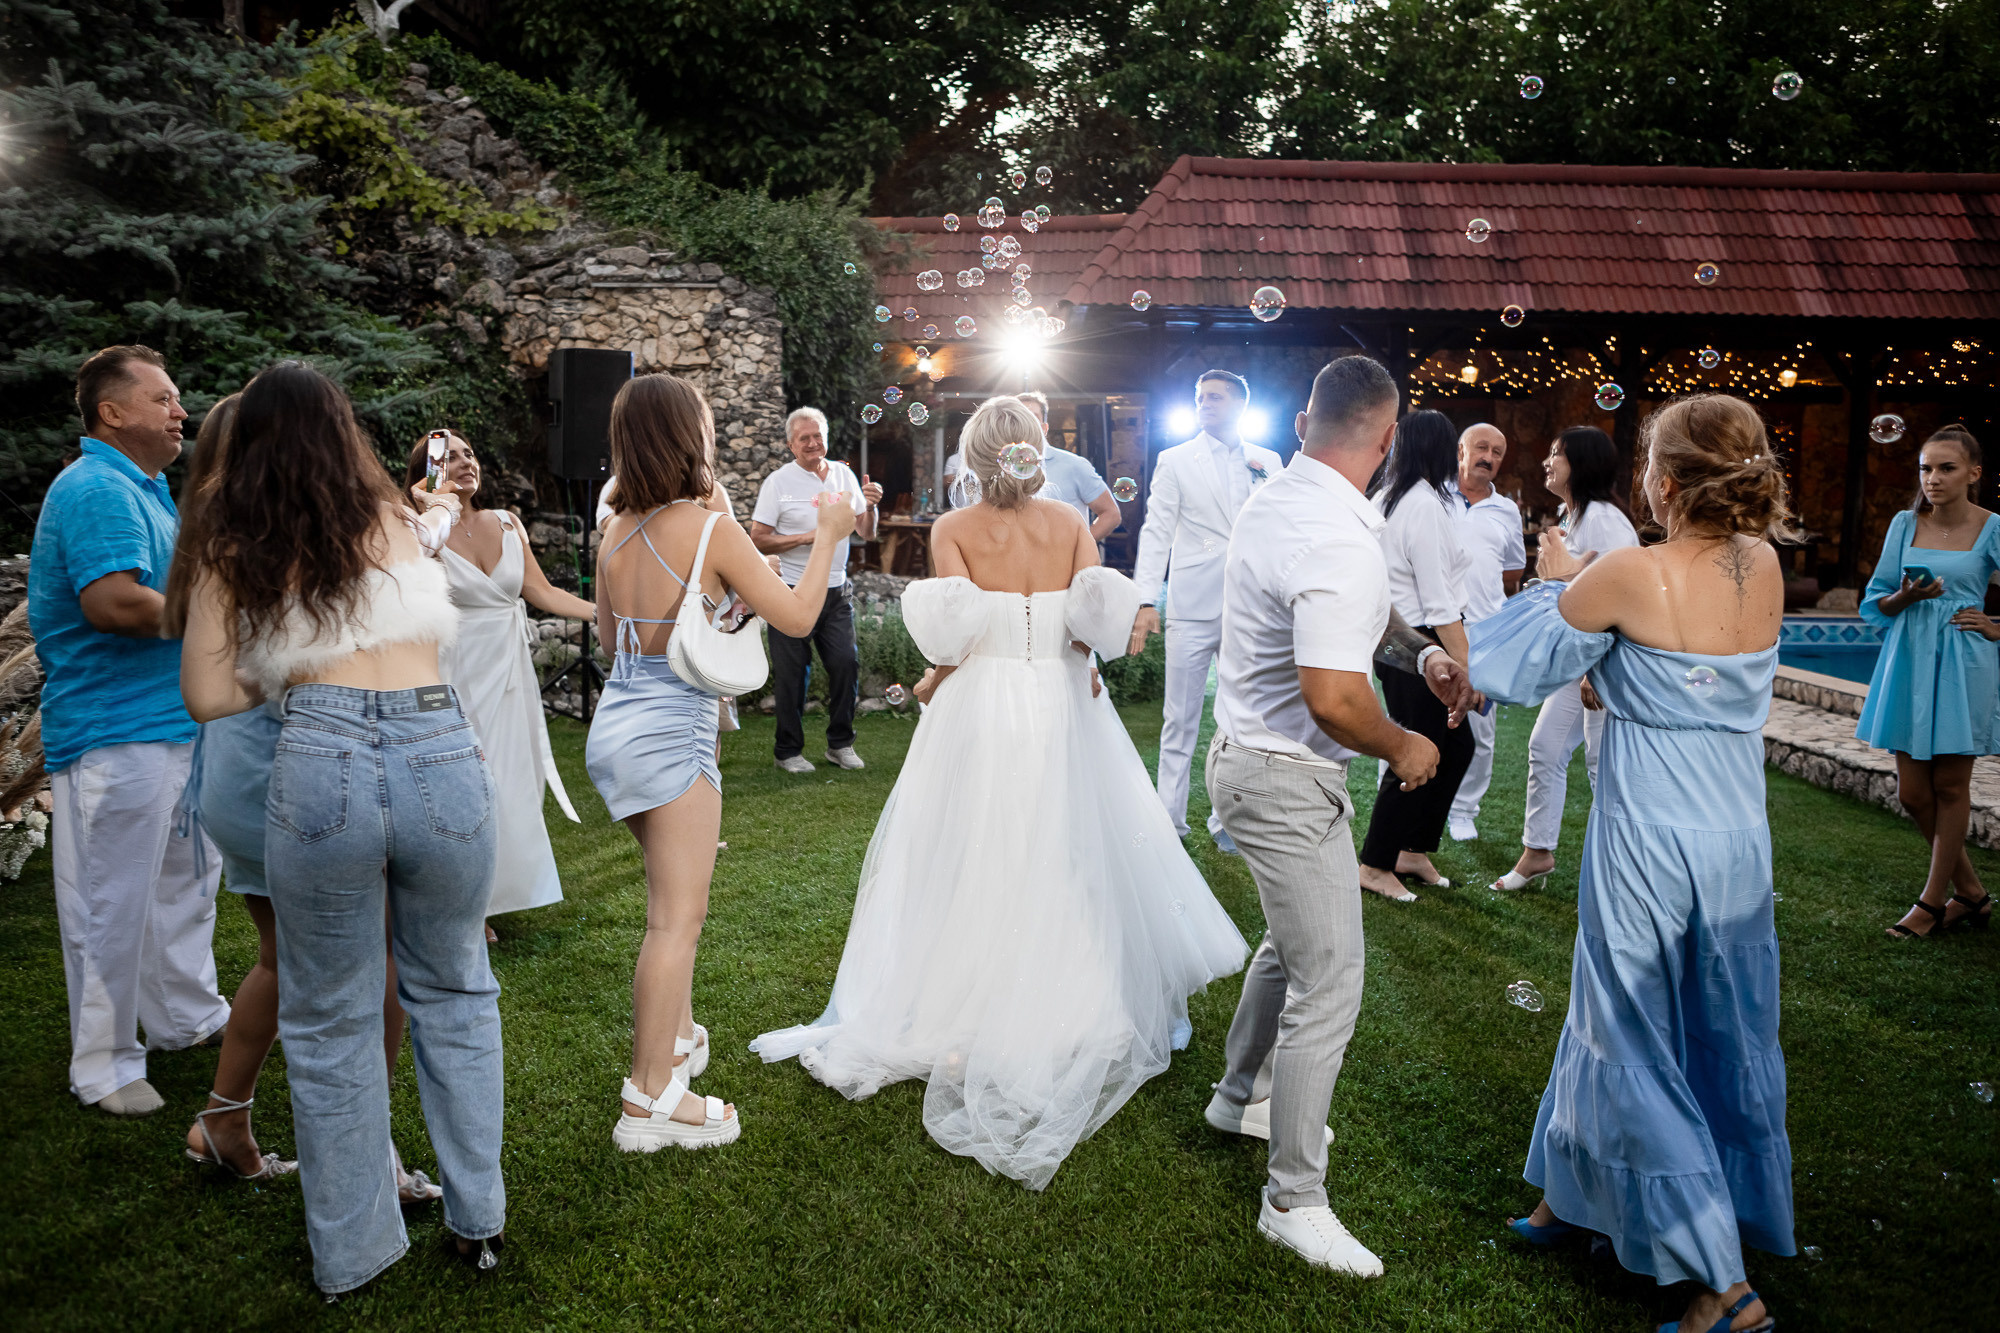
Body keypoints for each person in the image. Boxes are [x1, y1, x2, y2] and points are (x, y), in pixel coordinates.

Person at [751, 395, 1247, 1190]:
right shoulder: (1070, 523)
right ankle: (1073, 1001)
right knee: (1064, 848)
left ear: (972, 461)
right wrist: (1073, 651)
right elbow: (1090, 625)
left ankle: (962, 1001)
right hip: (1059, 700)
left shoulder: (952, 530)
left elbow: (960, 632)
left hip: (980, 705)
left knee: (972, 848)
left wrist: (928, 678)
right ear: (1035, 452)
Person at [1472, 394, 1796, 1333]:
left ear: (1662, 479)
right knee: (1710, 1022)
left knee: (1629, 1024)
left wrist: (1559, 579)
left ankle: (1717, 1286)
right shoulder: (1765, 565)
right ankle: (1568, 1196)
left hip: (1650, 832)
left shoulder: (1624, 572)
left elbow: (1512, 668)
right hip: (1736, 837)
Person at [179, 361, 505, 1291]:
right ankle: (477, 1220)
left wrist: (288, 659)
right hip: (438, 739)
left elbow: (207, 692)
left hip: (320, 756)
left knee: (328, 1019)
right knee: (456, 990)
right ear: (343, 431)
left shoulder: (231, 540)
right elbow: (436, 554)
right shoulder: (399, 521)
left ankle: (353, 1253)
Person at [1204, 356, 1476, 1275]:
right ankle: (1295, 1197)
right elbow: (1331, 696)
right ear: (1389, 438)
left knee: (1290, 946)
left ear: (1305, 424)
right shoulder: (1340, 534)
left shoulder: (1282, 499)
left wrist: (1420, 649)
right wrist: (1407, 745)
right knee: (1333, 980)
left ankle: (1238, 1094)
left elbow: (1350, 613)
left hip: (1247, 760)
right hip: (1286, 777)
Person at [167, 396, 450, 1201]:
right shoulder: (297, 529)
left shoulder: (228, 532)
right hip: (290, 763)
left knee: (285, 956)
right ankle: (370, 1152)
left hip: (239, 769)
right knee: (382, 957)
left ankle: (225, 1117)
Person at [588, 374, 855, 1152]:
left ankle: (670, 1045)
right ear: (688, 437)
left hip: (620, 725)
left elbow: (613, 645)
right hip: (673, 733)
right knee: (676, 920)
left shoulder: (616, 528)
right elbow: (800, 616)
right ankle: (651, 1099)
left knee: (667, 905)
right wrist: (830, 531)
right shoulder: (708, 529)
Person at [29, 344, 232, 1119]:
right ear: (112, 413)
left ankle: (186, 1016)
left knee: (185, 882)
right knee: (108, 903)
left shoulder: (146, 487)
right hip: (113, 732)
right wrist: (216, 613)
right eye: (163, 399)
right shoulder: (95, 486)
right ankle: (105, 1063)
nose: (180, 410)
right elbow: (112, 602)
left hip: (170, 724)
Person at [405, 431, 594, 938]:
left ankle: (494, 895)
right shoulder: (420, 534)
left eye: (470, 452)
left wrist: (609, 614)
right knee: (463, 787)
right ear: (426, 474)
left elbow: (541, 591)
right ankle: (460, 901)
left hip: (511, 675)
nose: (466, 461)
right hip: (455, 674)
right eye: (450, 457)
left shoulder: (508, 522)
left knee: (515, 781)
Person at [1854, 424, 2000, 938]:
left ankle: (1932, 903)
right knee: (1914, 794)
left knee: (1950, 785)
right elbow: (1875, 602)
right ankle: (1974, 894)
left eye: (1946, 468)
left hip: (1964, 665)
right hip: (1910, 659)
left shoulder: (1993, 528)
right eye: (1925, 468)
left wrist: (1996, 626)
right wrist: (1908, 598)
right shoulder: (1903, 523)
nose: (1932, 478)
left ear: (1973, 473)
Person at [1130, 370, 1284, 848]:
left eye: (1215, 397)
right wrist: (1145, 599)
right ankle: (1169, 821)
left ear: (1241, 404)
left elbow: (1279, 529)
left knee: (1241, 718)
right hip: (1192, 604)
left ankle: (1229, 823)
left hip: (1251, 608)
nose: (1205, 404)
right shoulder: (1175, 459)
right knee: (1180, 718)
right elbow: (1157, 530)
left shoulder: (1269, 460)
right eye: (1201, 397)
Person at [1489, 426, 1639, 892]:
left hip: (1604, 663)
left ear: (1584, 464)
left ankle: (1623, 867)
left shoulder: (1603, 520)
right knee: (1546, 747)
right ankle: (1538, 852)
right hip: (1579, 661)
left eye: (1557, 454)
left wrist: (1595, 673)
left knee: (1601, 762)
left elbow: (1621, 599)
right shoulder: (1576, 516)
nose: (1546, 462)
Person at [1356, 410, 1483, 901]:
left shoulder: (1388, 497)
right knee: (1415, 749)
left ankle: (1411, 850)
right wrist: (1468, 668)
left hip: (1395, 640)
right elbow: (1439, 601)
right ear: (1442, 450)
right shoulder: (1423, 504)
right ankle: (1375, 861)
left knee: (1455, 748)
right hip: (1418, 644)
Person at [749, 407, 883, 773]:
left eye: (817, 436)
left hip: (836, 591)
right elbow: (758, 538)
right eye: (804, 438)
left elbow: (865, 533)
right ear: (791, 444)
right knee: (793, 674)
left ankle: (840, 744)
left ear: (825, 438)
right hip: (790, 591)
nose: (812, 443)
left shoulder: (843, 474)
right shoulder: (778, 482)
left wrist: (869, 507)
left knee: (845, 664)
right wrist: (811, 536)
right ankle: (787, 752)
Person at [1445, 423, 1527, 841]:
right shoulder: (1432, 495)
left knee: (1480, 724)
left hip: (1485, 632)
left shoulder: (1506, 510)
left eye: (1497, 451)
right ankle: (1411, 798)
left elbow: (1513, 567)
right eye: (1481, 447)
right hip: (1434, 624)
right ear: (1461, 449)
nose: (1489, 457)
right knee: (1414, 716)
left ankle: (1463, 810)